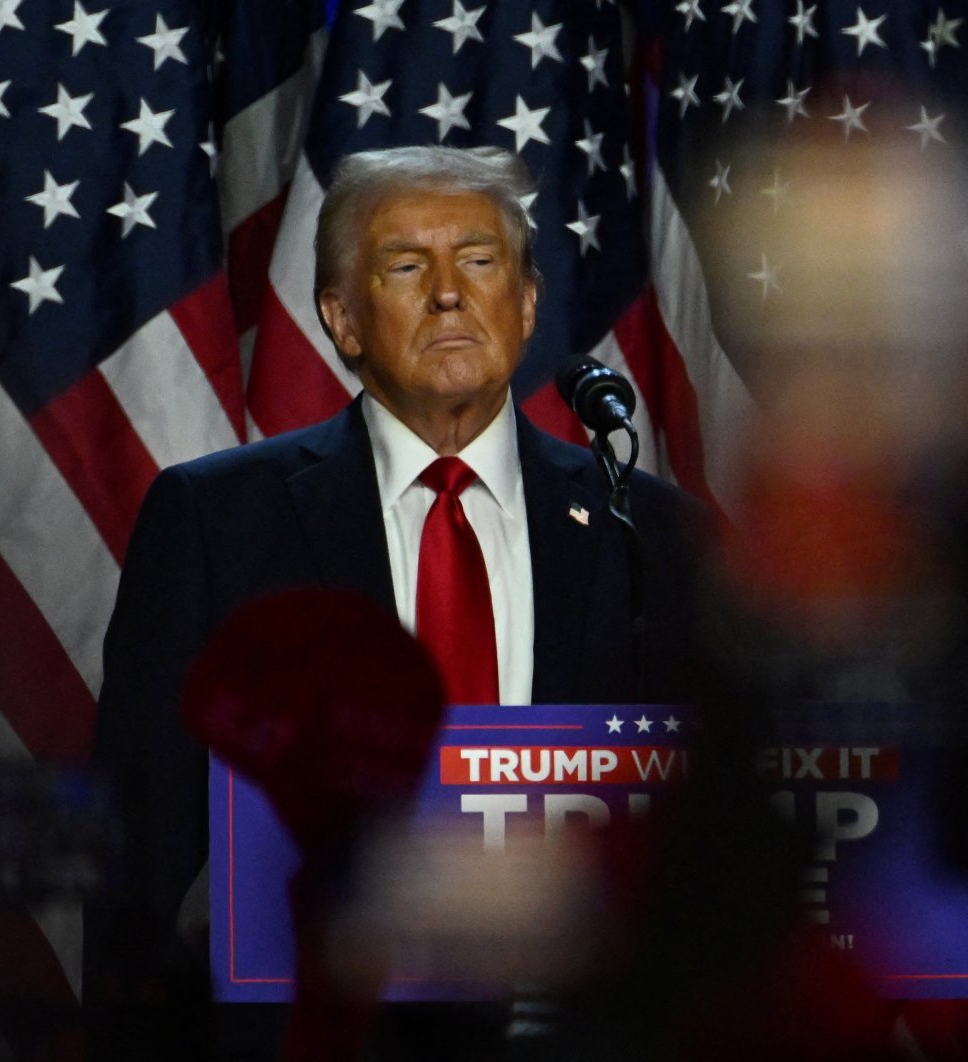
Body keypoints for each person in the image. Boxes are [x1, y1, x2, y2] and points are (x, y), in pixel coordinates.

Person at [85, 145, 702, 1059]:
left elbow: (712, 835)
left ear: (527, 305)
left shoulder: (650, 532)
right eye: (407, 266)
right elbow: (141, 842)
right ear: (342, 318)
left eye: (481, 261)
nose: (450, 292)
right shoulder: (216, 519)